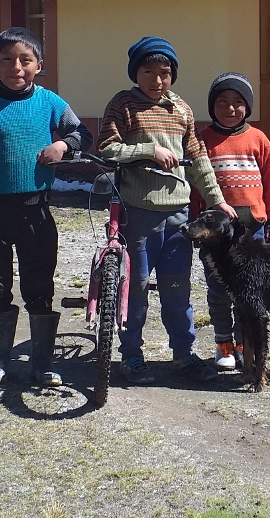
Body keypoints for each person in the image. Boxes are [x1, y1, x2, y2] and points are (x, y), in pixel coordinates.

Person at [0, 27, 92, 388]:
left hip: (37, 212)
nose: (16, 67)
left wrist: (62, 148)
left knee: (39, 285)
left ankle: (42, 365)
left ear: (39, 65)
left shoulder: (50, 103)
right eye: (7, 60)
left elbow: (82, 134)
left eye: (25, 60)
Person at [97, 36, 237, 384]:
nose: (157, 80)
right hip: (138, 213)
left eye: (165, 72)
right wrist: (149, 150)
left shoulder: (182, 109)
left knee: (177, 289)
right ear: (135, 72)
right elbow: (107, 149)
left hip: (179, 215)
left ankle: (184, 354)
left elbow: (199, 160)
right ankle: (131, 355)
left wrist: (217, 199)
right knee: (137, 288)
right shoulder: (124, 104)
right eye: (149, 72)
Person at [192, 72, 270, 370]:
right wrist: (196, 227)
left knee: (249, 294)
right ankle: (224, 346)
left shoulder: (259, 139)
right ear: (211, 105)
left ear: (248, 107)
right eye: (222, 102)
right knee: (218, 293)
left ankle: (245, 346)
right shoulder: (201, 140)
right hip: (214, 239)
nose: (230, 109)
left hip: (250, 233)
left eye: (238, 102)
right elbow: (195, 187)